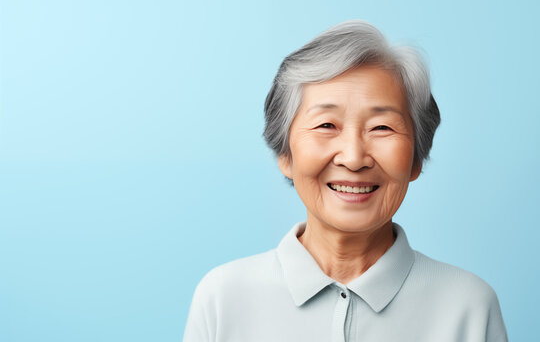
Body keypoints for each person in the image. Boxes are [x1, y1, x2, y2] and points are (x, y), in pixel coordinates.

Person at [182, 20, 507, 342]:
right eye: (326, 125)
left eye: (382, 127)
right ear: (285, 154)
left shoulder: (469, 306)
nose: (353, 158)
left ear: (416, 159)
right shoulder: (223, 298)